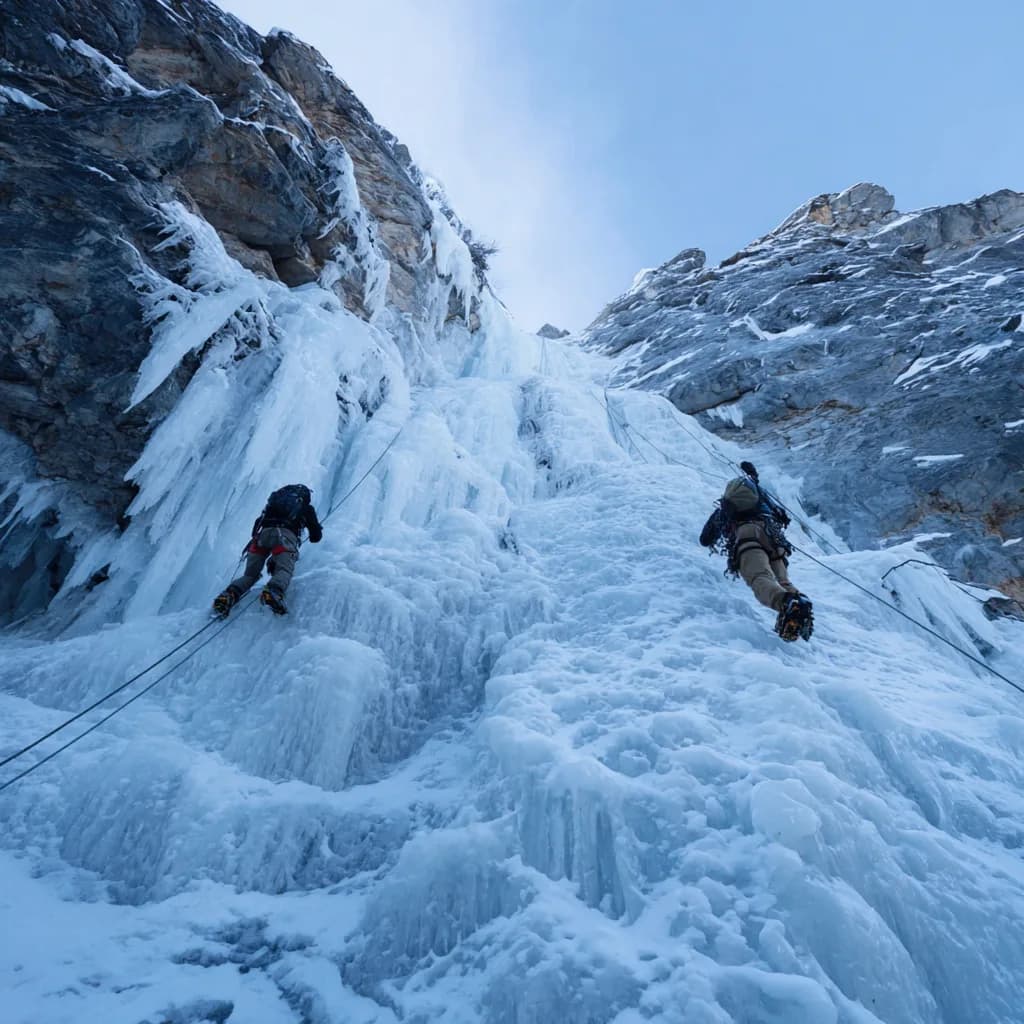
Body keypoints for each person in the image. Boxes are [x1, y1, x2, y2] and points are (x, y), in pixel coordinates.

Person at [699, 461, 813, 641]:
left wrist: (720, 518)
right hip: (775, 538)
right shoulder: (760, 498)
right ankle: (798, 603)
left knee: (760, 578)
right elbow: (758, 486)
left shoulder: (725, 510)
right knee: (782, 581)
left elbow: (705, 539)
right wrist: (752, 475)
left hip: (748, 536)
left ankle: (787, 603)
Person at [213, 484, 323, 616]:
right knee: (284, 570)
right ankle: (273, 591)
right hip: (285, 537)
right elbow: (315, 537)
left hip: (261, 537)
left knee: (250, 575)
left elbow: (257, 524)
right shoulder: (306, 507)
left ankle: (228, 596)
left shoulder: (272, 505)